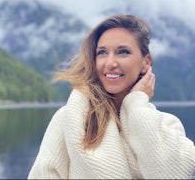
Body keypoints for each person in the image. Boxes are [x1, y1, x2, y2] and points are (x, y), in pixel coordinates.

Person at [28, 14, 195, 179]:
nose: (110, 63)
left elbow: (169, 175)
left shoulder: (167, 124)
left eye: (123, 52)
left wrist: (137, 102)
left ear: (146, 62)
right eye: (102, 53)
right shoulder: (69, 119)